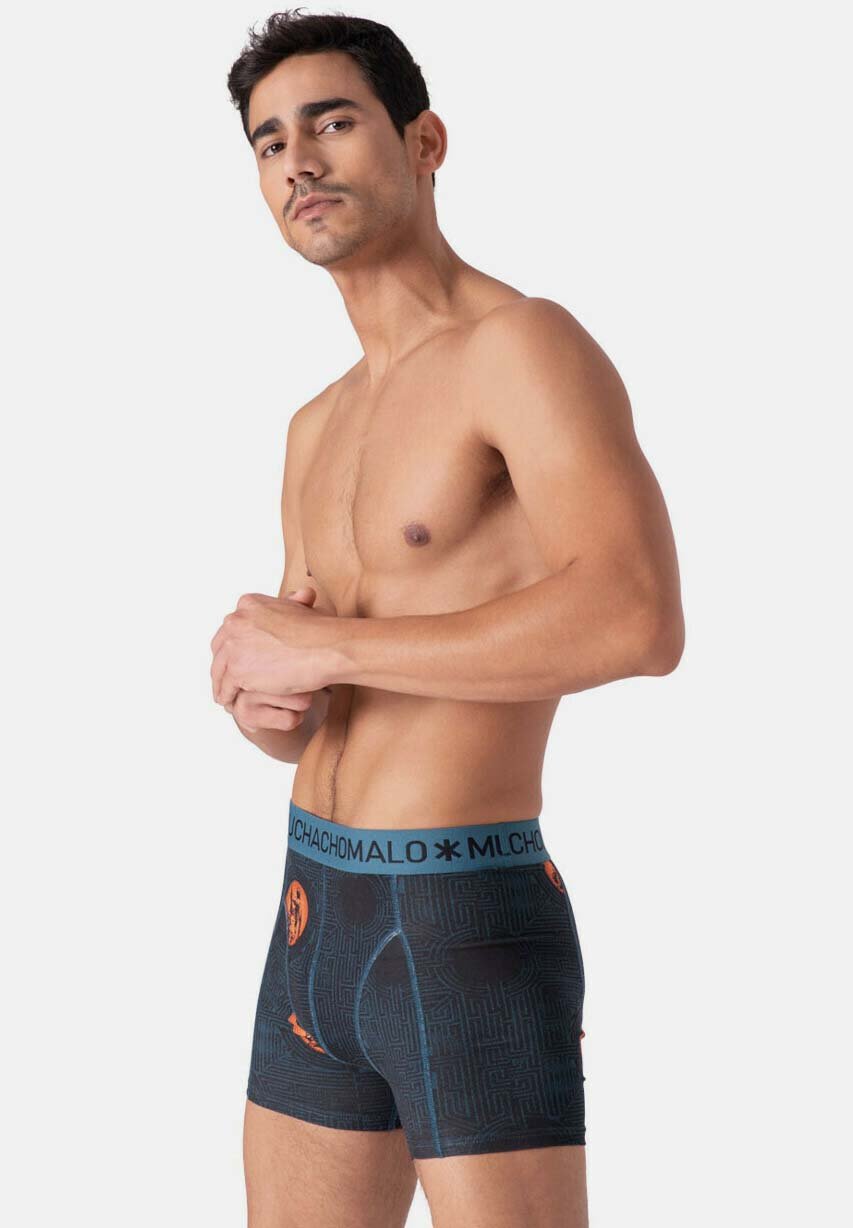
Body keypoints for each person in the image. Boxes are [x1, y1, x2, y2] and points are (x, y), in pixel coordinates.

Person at [213, 11, 684, 1227]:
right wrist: (271, 703)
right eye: (270, 142)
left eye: (331, 122)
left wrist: (330, 644)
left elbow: (637, 616)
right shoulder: (316, 423)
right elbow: (325, 690)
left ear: (423, 141)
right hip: (310, 913)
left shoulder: (520, 347)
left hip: (461, 918)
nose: (299, 161)